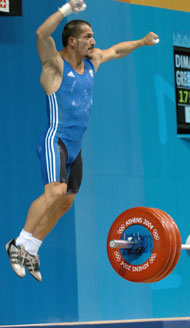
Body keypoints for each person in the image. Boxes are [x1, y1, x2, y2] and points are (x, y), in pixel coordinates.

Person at [6, 0, 159, 282]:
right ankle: (17, 243)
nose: (94, 41)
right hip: (56, 139)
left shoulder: (92, 62)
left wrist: (142, 41)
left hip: (75, 147)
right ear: (72, 41)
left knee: (66, 201)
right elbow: (41, 35)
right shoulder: (54, 65)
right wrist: (66, 10)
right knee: (54, 191)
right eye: (89, 36)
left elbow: (116, 50)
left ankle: (32, 248)